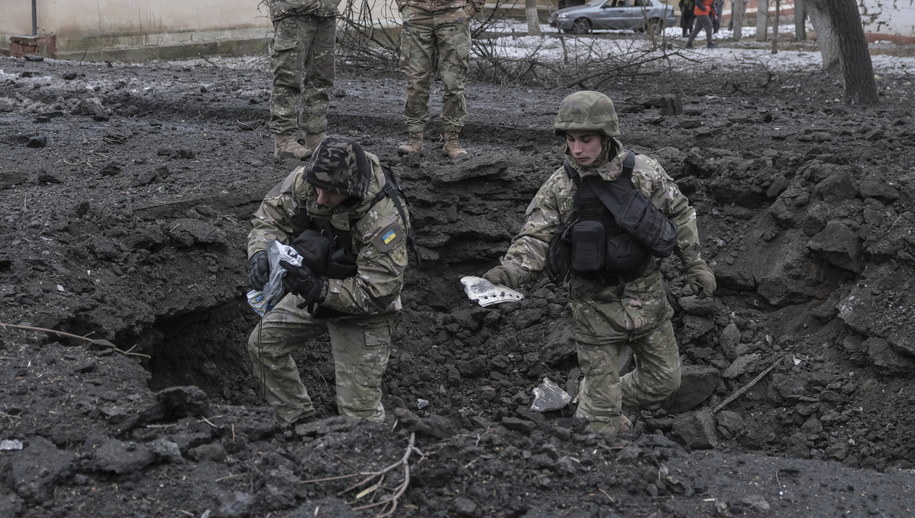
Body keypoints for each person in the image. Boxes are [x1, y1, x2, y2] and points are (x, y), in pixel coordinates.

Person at [481, 91, 716, 435]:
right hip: (594, 309)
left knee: (664, 381)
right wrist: (510, 272)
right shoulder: (560, 186)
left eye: (586, 139)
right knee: (603, 423)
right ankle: (599, 429)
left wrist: (695, 264)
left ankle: (591, 404)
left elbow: (679, 213)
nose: (577, 149)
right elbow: (534, 237)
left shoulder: (644, 173)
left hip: (647, 299)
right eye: (570, 139)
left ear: (607, 137)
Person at [246, 135, 411, 424]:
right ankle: (299, 423)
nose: (320, 199)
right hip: (315, 284)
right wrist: (260, 250)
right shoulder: (311, 180)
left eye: (330, 194)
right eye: (317, 189)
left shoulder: (383, 220)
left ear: (353, 190)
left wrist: (318, 289)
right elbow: (271, 217)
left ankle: (374, 458)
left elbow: (378, 292)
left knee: (359, 415)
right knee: (263, 345)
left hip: (364, 309)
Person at [395, 0, 484, 159]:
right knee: (416, 81)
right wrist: (404, 4)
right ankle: (415, 138)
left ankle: (452, 140)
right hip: (417, 13)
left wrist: (471, 8)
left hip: (453, 14)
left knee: (453, 82)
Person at [266, 0, 339, 160]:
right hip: (293, 11)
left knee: (322, 77)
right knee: (288, 78)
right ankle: (284, 139)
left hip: (326, 11)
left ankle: (315, 133)